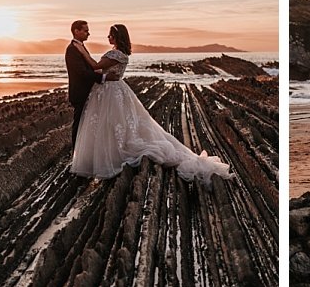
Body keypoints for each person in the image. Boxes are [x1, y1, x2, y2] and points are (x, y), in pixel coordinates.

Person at [70, 24, 231, 185]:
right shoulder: (122, 54)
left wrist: (83, 52)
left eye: (111, 35)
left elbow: (95, 66)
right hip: (113, 89)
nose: (108, 37)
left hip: (112, 91)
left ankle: (111, 155)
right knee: (118, 123)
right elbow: (101, 70)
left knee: (115, 123)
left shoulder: (115, 53)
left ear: (118, 37)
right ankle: (106, 153)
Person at [64, 20, 100, 147]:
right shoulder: (72, 49)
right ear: (76, 31)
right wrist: (102, 77)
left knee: (84, 124)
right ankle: (76, 154)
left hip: (85, 92)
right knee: (79, 125)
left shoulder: (80, 47)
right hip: (80, 93)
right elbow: (82, 73)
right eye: (85, 30)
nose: (88, 33)